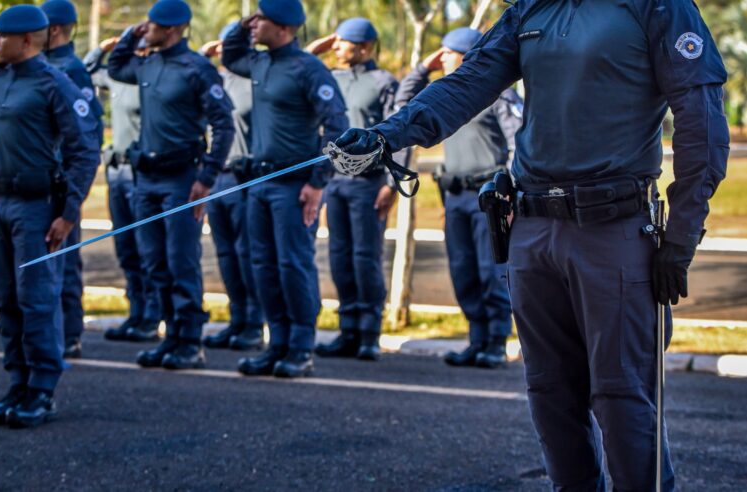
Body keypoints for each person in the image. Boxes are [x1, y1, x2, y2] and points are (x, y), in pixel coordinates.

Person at [334, 1, 729, 489]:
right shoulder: (530, 8)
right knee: (550, 395)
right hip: (532, 227)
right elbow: (465, 84)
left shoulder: (658, 6)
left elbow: (703, 126)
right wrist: (385, 135)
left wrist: (682, 236)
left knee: (622, 397)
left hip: (614, 229)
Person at [0, 5, 100, 428]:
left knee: (36, 299)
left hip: (38, 208)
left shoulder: (56, 83)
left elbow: (85, 150)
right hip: (0, 204)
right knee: (7, 301)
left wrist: (69, 213)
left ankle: (42, 390)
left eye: (2, 36)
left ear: (28, 40)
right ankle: (17, 384)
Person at [222, 0, 349, 378]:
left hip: (294, 187)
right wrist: (242, 27)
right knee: (261, 265)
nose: (254, 23)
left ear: (283, 27)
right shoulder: (259, 63)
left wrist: (317, 182)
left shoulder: (307, 68)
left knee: (293, 265)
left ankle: (300, 347)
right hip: (259, 184)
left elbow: (337, 129)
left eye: (261, 18)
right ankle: (276, 343)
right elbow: (231, 56)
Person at [108, 0, 235, 370]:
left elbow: (223, 125)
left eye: (153, 24)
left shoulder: (197, 69)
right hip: (146, 179)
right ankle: (170, 337)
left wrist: (207, 177)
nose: (146, 27)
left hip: (182, 178)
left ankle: (189, 342)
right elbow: (116, 66)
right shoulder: (146, 64)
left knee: (181, 261)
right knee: (154, 262)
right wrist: (132, 35)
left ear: (173, 28)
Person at [395, 27, 521, 369]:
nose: (443, 58)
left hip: (487, 198)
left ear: (466, 55)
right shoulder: (448, 96)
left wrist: (510, 197)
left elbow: (517, 144)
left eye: (448, 52)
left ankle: (495, 341)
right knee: (463, 270)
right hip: (454, 196)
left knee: (491, 270)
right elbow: (403, 106)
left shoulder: (499, 95)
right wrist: (422, 69)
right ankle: (476, 338)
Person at [306, 18, 398, 361]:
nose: (336, 47)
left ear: (364, 47)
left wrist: (390, 183)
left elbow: (400, 135)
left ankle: (369, 333)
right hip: (335, 183)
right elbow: (298, 70)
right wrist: (316, 50)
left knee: (366, 258)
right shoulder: (331, 78)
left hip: (369, 184)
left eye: (342, 42)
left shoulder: (383, 82)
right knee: (340, 257)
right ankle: (347, 331)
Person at [84, 37, 163, 342]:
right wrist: (105, 46)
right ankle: (136, 310)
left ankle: (151, 315)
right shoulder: (116, 74)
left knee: (147, 247)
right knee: (126, 247)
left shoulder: (148, 78)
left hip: (141, 170)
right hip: (116, 171)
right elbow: (87, 70)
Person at [40, 0, 104, 359]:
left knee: (62, 260)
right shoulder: (38, 65)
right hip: (37, 180)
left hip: (61, 180)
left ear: (52, 30)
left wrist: (74, 191)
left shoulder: (71, 70)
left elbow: (88, 133)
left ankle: (69, 331)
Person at [199, 23, 265, 352]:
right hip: (217, 176)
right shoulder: (215, 79)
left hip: (245, 177)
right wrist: (203, 55)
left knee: (247, 252)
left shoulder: (257, 79)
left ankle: (254, 323)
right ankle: (237, 319)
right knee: (225, 254)